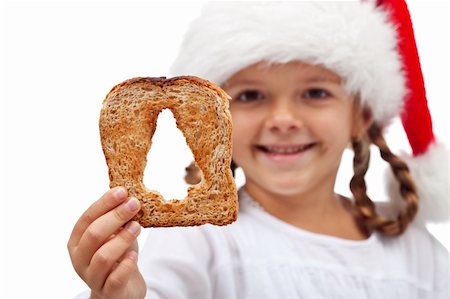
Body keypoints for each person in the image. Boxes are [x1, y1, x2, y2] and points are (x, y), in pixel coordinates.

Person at [68, 1, 449, 298]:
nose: (282, 119)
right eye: (250, 95)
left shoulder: (417, 252)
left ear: (361, 116)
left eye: (315, 93)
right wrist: (113, 295)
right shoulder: (200, 240)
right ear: (215, 121)